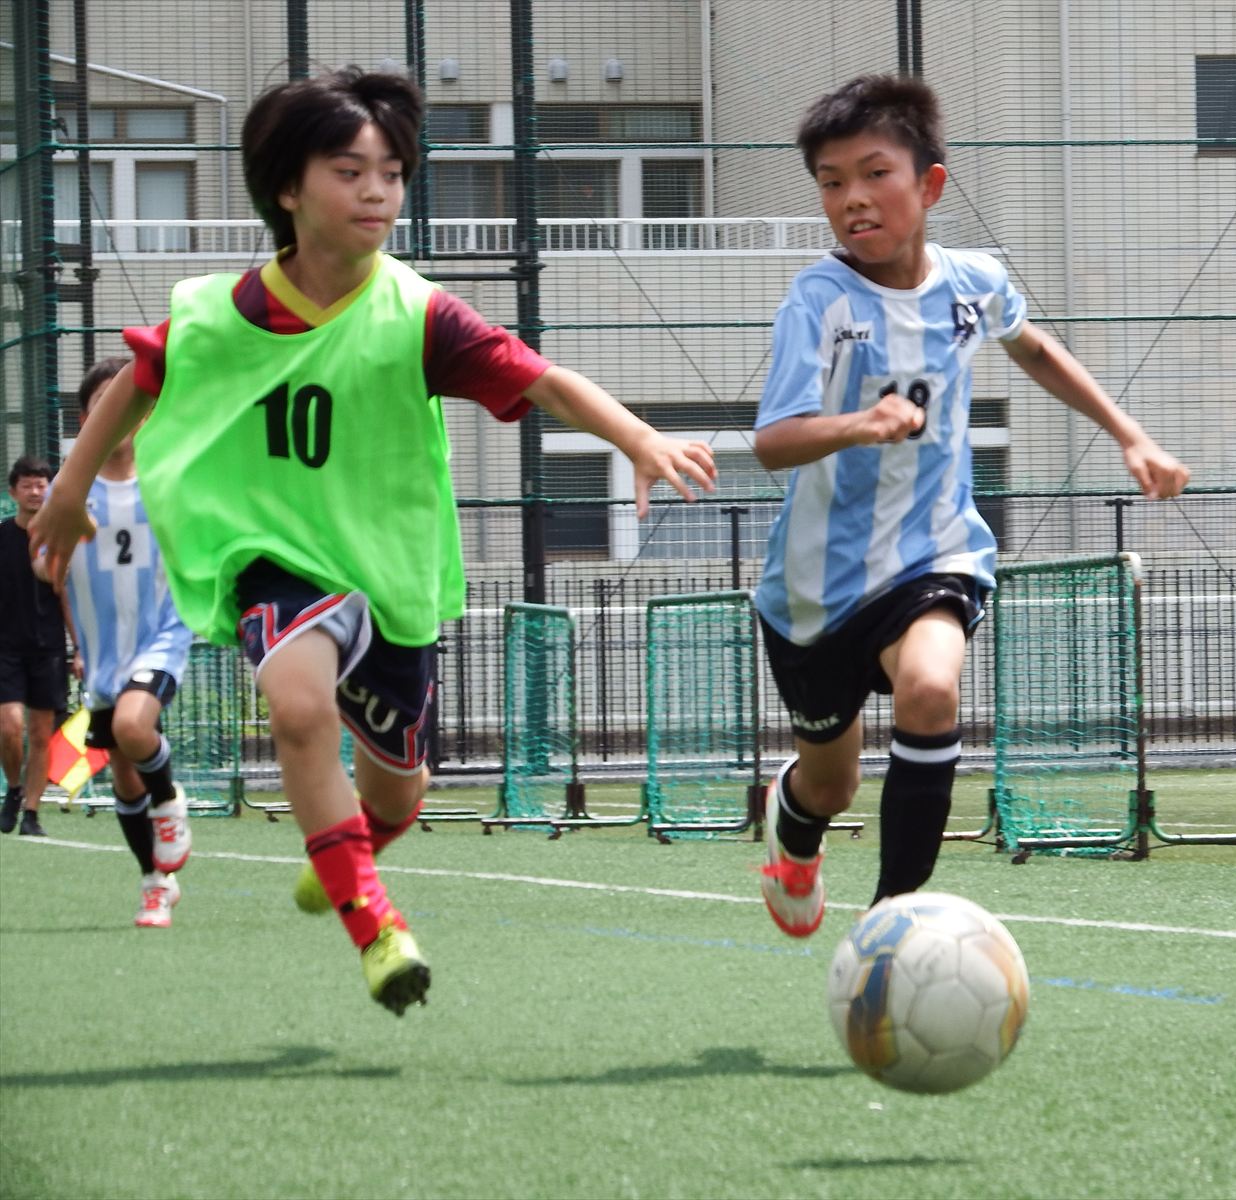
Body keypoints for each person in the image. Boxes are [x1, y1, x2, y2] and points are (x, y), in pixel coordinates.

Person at [32, 68, 715, 1013]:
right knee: (297, 705)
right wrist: (70, 491)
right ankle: (375, 925)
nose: (377, 192)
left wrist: (637, 437)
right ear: (287, 186)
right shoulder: (218, 314)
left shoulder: (419, 314)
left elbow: (542, 378)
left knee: (399, 794)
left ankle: (345, 853)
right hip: (273, 558)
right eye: (350, 171)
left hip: (388, 576)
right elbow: (134, 384)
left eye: (392, 173)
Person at [752, 75, 1190, 937]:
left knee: (929, 688)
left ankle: (892, 919)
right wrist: (859, 424)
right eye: (832, 183)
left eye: (874, 174)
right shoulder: (818, 301)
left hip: (935, 554)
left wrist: (1129, 433)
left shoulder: (974, 282)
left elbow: (1034, 348)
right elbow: (774, 441)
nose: (852, 198)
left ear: (930, 185)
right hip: (814, 590)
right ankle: (793, 826)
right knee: (831, 784)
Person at [53, 358, 196, 927]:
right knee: (123, 769)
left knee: (136, 729)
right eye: (102, 405)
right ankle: (155, 883)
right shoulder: (71, 488)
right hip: (103, 652)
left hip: (161, 634)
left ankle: (170, 802)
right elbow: (50, 568)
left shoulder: (168, 479)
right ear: (87, 418)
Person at [2, 456, 71, 838]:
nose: (34, 491)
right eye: (27, 485)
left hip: (48, 648)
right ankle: (14, 788)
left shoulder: (58, 538)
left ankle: (31, 812)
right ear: (13, 492)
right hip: (6, 649)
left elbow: (66, 595)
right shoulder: (2, 537)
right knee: (10, 726)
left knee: (42, 735)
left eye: (41, 484)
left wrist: (80, 648)